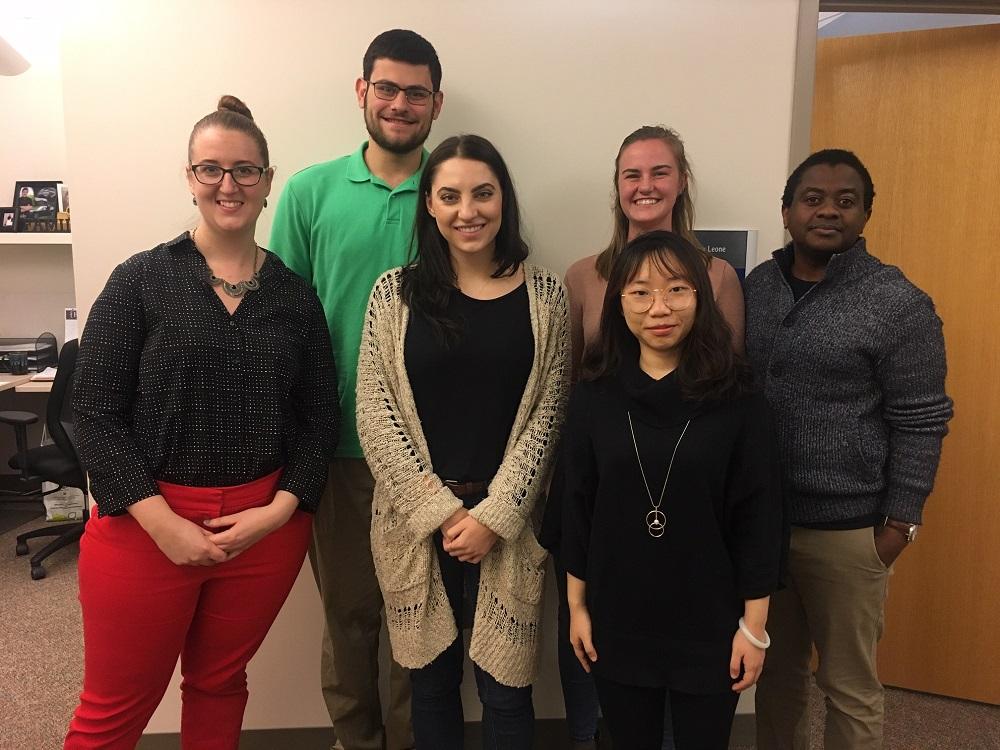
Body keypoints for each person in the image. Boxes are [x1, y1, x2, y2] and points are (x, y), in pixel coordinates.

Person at [64, 95, 340, 749]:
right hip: (144, 527)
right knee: (113, 710)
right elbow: (93, 414)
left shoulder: (296, 297)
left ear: (268, 183)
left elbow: (320, 417)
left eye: (245, 170)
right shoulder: (140, 281)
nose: (228, 184)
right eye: (210, 169)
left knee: (220, 682)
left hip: (261, 534)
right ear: (190, 178)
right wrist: (164, 525)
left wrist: (276, 513)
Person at [356, 134, 569, 750]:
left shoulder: (546, 296)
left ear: (504, 199)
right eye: (449, 196)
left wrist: (495, 516)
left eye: (483, 193)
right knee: (428, 689)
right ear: (429, 204)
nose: (467, 210)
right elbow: (374, 413)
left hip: (509, 526)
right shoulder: (393, 294)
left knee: (507, 692)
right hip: (415, 527)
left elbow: (549, 413)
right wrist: (441, 512)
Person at [540, 124, 746, 749]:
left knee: (686, 672)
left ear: (682, 182)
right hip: (605, 503)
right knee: (592, 649)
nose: (645, 185)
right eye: (632, 174)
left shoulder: (715, 277)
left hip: (689, 506)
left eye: (659, 172)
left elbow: (727, 403)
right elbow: (571, 391)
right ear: (617, 188)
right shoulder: (582, 277)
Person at [269, 29, 444, 750]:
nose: (400, 105)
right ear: (362, 91)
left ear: (437, 102)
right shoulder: (310, 192)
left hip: (433, 456)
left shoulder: (456, 188)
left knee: (420, 620)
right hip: (335, 446)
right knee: (348, 617)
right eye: (387, 88)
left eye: (416, 92)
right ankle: (355, 741)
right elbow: (277, 321)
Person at [747, 149, 953, 750]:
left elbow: (922, 419)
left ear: (865, 214)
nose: (828, 211)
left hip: (849, 531)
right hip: (764, 525)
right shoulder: (758, 286)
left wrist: (901, 521)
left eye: (845, 201)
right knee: (774, 674)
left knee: (849, 685)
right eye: (813, 199)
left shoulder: (898, 303)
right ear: (787, 211)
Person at [561, 230, 784, 750]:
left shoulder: (739, 398)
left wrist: (754, 628)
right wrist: (577, 607)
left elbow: (760, 517)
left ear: (701, 299)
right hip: (618, 616)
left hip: (711, 621)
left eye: (677, 289)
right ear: (618, 303)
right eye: (640, 292)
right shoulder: (595, 395)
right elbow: (576, 504)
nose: (659, 307)